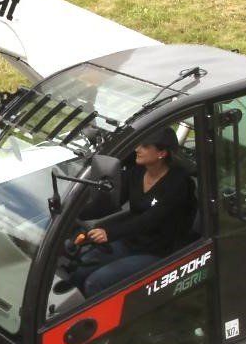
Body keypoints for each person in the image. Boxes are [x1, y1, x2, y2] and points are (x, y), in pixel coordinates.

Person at [71, 127, 195, 297]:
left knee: (96, 282)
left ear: (161, 153)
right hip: (130, 240)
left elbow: (149, 220)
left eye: (144, 146)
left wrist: (109, 232)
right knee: (79, 268)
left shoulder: (178, 183)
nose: (137, 149)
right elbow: (110, 204)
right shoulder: (136, 172)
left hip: (156, 251)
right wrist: (73, 214)